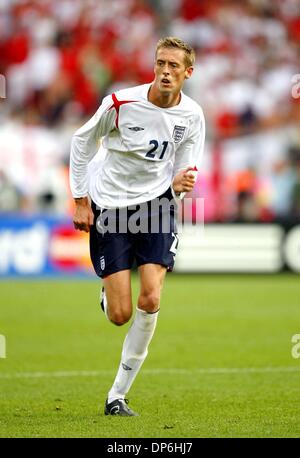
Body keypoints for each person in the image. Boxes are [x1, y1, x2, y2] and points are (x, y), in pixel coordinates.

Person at [69, 37, 205, 416]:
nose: (165, 71)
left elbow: (185, 171)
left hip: (156, 209)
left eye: (174, 66)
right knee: (119, 315)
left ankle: (117, 396)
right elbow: (82, 142)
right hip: (110, 208)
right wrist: (80, 200)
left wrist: (178, 185)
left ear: (187, 74)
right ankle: (108, 295)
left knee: (151, 298)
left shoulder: (192, 116)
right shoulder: (120, 103)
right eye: (161, 63)